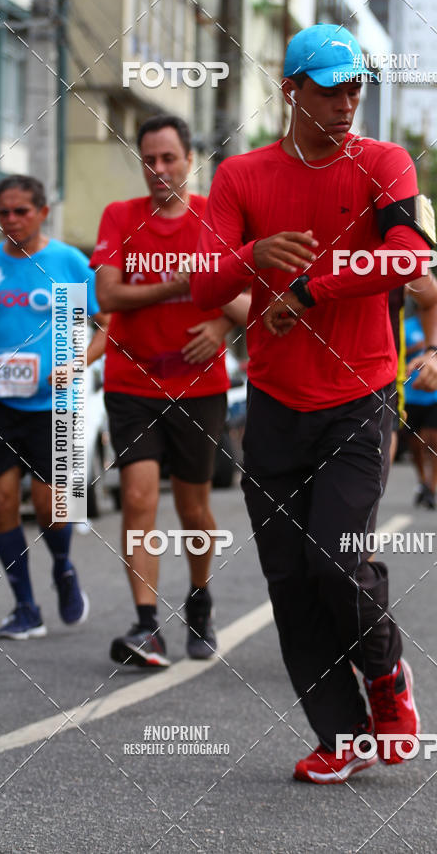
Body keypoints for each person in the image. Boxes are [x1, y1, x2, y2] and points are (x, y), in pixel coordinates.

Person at [191, 24, 437, 783]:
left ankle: (388, 680)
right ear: (290, 89)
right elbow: (203, 284)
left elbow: (412, 256)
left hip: (358, 394)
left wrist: (308, 289)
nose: (346, 103)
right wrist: (253, 258)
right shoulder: (241, 176)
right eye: (330, 89)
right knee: (289, 580)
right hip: (273, 402)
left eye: (354, 89)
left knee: (333, 558)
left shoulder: (384, 163)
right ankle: (342, 736)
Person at [91, 114, 249, 667]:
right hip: (131, 382)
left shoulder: (215, 216)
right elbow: (108, 295)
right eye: (149, 160)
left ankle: (200, 602)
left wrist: (223, 326)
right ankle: (145, 625)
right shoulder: (120, 216)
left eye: (169, 159)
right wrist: (182, 284)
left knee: (194, 509)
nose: (158, 170)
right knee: (137, 501)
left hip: (199, 385)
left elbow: (250, 292)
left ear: (190, 159)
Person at [0, 175, 108, 639]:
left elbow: (106, 327)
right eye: (4, 212)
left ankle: (63, 567)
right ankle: (25, 607)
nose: (11, 220)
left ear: (42, 212)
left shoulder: (67, 263)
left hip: (56, 402)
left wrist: (76, 365)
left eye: (21, 211)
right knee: (0, 505)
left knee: (51, 506)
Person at [405, 305, 437, 509]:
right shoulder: (406, 327)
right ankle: (423, 481)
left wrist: (435, 351)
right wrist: (418, 349)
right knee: (416, 445)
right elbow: (395, 352)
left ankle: (433, 489)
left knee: (435, 441)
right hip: (412, 394)